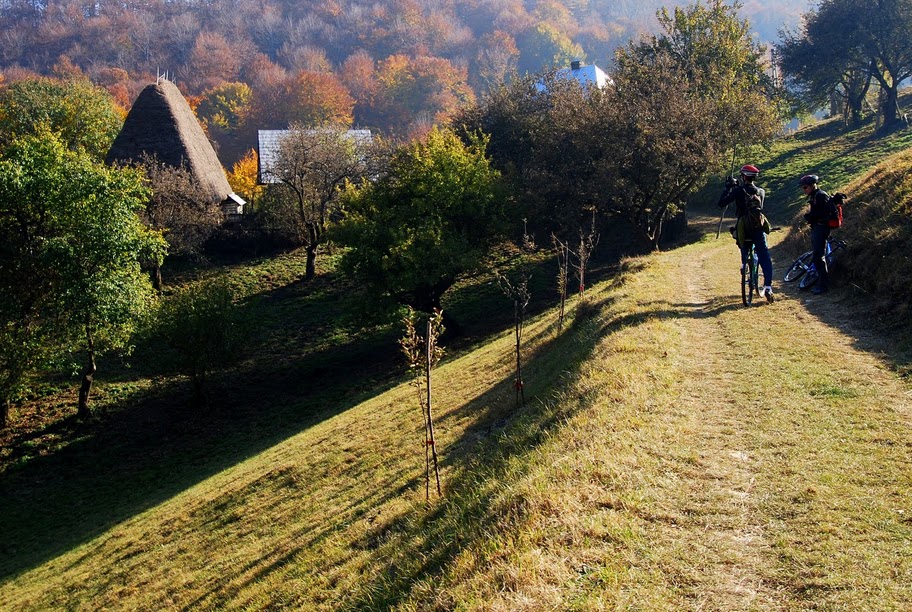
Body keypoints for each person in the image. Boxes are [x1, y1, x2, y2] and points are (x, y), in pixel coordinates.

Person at [718, 164, 774, 302]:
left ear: (743, 177)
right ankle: (768, 287)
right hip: (757, 227)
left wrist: (728, 188)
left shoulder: (738, 191)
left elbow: (721, 203)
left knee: (743, 244)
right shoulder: (761, 192)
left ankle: (744, 265)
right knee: (764, 255)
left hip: (744, 227)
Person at [798, 174, 831, 294]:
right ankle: (821, 283)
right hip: (818, 228)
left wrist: (811, 217)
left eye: (805, 187)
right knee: (817, 256)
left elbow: (825, 213)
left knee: (818, 257)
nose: (804, 190)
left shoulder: (821, 196)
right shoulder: (814, 196)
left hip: (821, 228)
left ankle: (823, 285)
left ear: (813, 185)